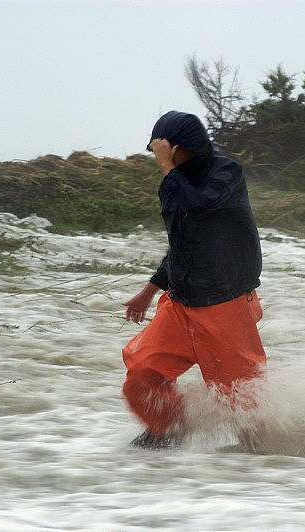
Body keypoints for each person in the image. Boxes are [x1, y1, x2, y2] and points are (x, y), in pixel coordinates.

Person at [121, 110, 267, 449]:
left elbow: (201, 205)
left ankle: (267, 464)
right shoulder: (174, 183)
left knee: (242, 400)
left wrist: (167, 170)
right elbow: (181, 244)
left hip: (226, 303)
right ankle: (170, 431)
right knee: (142, 373)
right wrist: (149, 290)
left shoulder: (226, 172)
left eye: (166, 151)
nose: (161, 159)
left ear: (184, 147)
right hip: (181, 302)